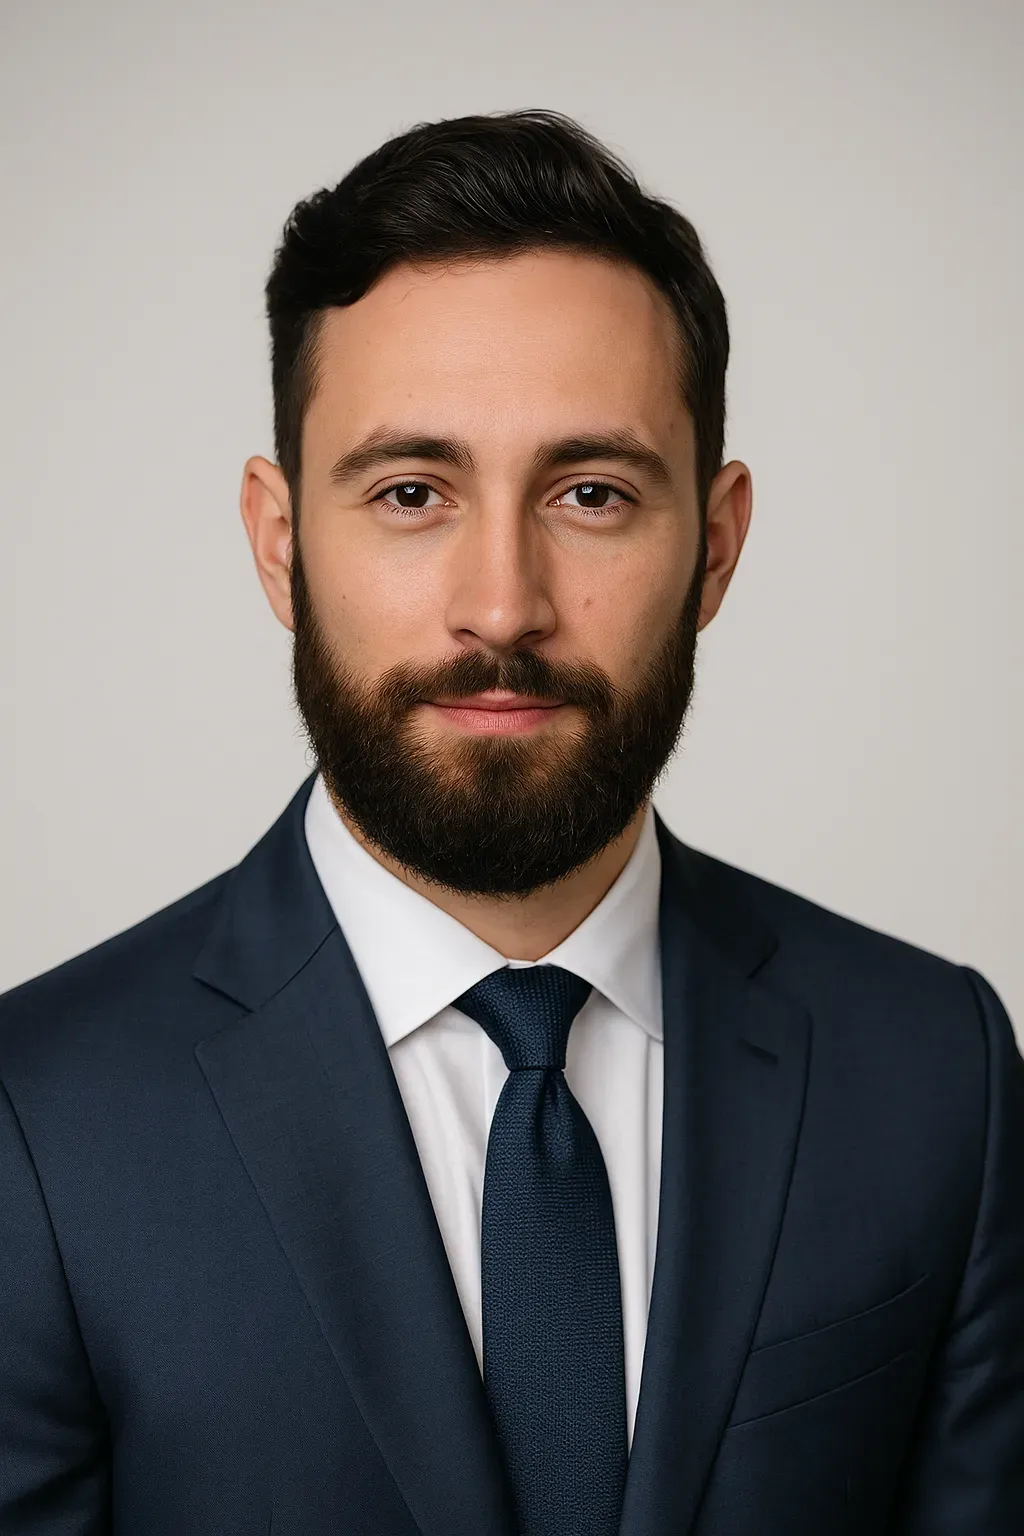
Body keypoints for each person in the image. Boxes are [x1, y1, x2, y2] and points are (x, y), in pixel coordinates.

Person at [1, 109, 1021, 1536]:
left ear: (716, 544)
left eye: (591, 494)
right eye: (412, 493)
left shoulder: (939, 1074)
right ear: (281, 544)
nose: (502, 605)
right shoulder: (35, 1119)